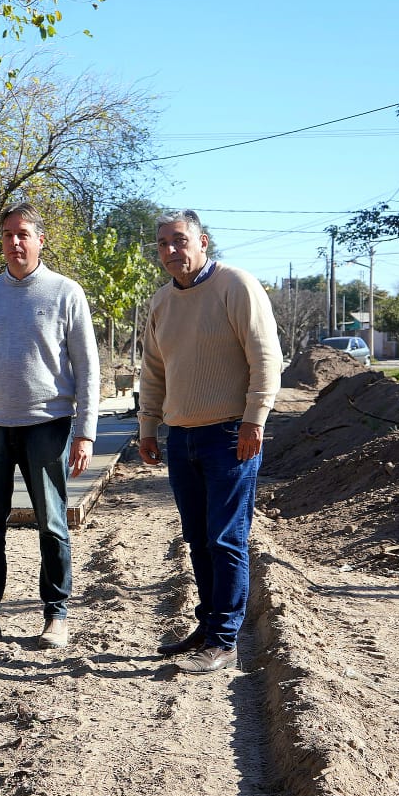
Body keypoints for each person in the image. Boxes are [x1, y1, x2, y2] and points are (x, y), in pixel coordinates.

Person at [0, 202, 99, 649]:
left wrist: (86, 432)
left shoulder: (66, 293)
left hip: (47, 424)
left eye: (24, 234)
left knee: (52, 523)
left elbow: (87, 369)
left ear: (40, 239)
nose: (16, 242)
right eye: (9, 235)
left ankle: (56, 615)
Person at [137, 209, 282, 674]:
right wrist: (147, 426)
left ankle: (224, 640)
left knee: (226, 538)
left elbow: (266, 358)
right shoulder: (161, 303)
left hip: (228, 435)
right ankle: (208, 625)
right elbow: (153, 372)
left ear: (203, 242)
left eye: (179, 241)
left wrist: (253, 420)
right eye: (163, 244)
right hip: (181, 437)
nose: (171, 251)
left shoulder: (236, 286)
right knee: (197, 539)